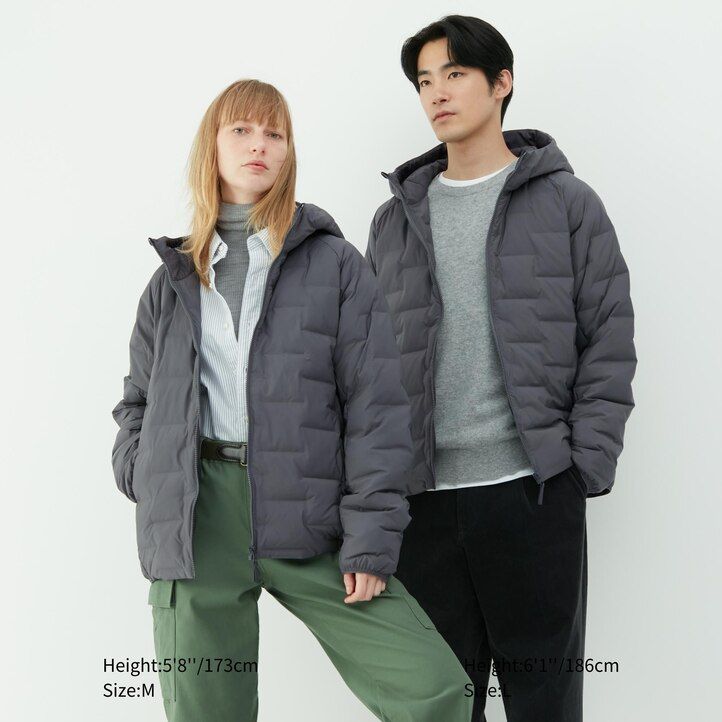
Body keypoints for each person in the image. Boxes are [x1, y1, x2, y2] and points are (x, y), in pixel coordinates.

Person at [111, 78, 473, 722]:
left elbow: (377, 409)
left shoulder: (334, 264)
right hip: (196, 519)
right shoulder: (171, 280)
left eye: (274, 133)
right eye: (242, 130)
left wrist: (370, 537)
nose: (260, 145)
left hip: (310, 505)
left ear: (288, 152)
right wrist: (145, 473)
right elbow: (137, 403)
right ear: (212, 146)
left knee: (435, 689)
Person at [366, 15, 637, 722]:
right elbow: (366, 368)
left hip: (531, 496)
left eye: (455, 74)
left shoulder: (567, 203)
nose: (437, 93)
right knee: (439, 708)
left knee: (544, 704)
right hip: (423, 505)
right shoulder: (393, 222)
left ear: (501, 84)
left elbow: (608, 336)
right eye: (425, 81)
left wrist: (581, 468)